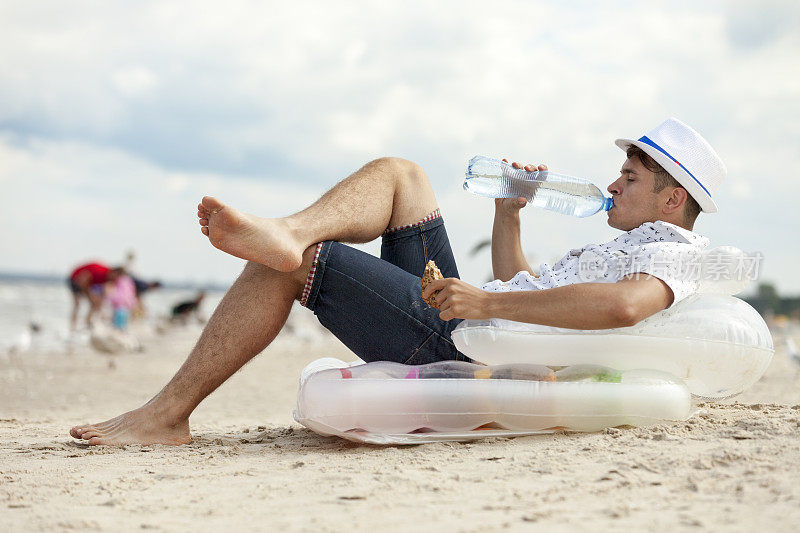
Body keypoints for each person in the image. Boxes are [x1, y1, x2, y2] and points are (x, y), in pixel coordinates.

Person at [70, 117, 726, 445]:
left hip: (468, 352)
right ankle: (291, 230)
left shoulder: (672, 253)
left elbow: (619, 308)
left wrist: (488, 300)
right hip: (478, 326)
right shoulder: (634, 240)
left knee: (298, 265)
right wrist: (507, 215)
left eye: (631, 177)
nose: (613, 182)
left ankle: (166, 414)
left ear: (672, 201)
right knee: (402, 174)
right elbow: (525, 286)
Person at [67, 263, 124, 330]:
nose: (115, 279)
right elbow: (82, 279)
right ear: (114, 272)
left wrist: (99, 302)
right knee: (77, 304)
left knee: (96, 304)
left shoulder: (112, 279)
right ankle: (73, 327)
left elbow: (106, 292)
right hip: (75, 279)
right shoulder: (100, 271)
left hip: (89, 284)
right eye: (115, 277)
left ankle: (88, 323)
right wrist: (89, 295)